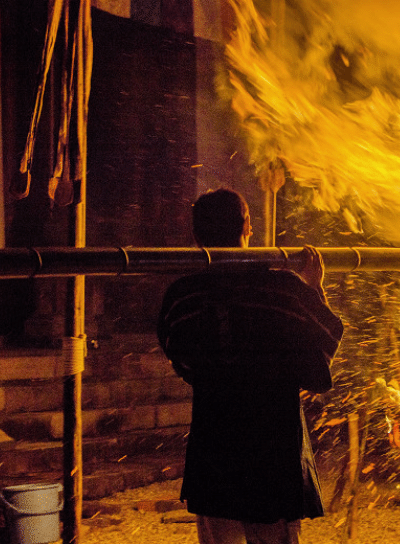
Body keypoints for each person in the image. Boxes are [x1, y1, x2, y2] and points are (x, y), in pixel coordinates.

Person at [158, 188, 343, 544]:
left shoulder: (183, 297)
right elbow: (322, 351)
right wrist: (314, 289)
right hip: (275, 454)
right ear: (248, 228)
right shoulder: (286, 291)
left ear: (195, 237)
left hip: (215, 451)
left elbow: (180, 359)